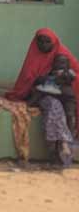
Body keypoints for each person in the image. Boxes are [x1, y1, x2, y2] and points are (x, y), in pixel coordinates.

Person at [7, 28, 78, 168]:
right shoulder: (34, 54)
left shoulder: (61, 54)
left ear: (54, 42)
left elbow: (76, 73)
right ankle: (57, 151)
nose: (43, 44)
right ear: (35, 42)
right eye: (40, 41)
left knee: (63, 109)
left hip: (64, 93)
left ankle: (61, 149)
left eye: (47, 41)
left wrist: (65, 80)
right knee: (53, 107)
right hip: (41, 93)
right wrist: (41, 80)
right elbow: (27, 80)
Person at [26, 54, 77, 134]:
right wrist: (47, 78)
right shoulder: (51, 72)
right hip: (54, 94)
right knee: (40, 91)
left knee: (70, 114)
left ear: (68, 65)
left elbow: (72, 77)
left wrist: (65, 75)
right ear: (53, 64)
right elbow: (43, 80)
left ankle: (71, 133)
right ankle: (29, 103)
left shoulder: (69, 72)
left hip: (68, 97)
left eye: (63, 63)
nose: (60, 65)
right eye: (57, 62)